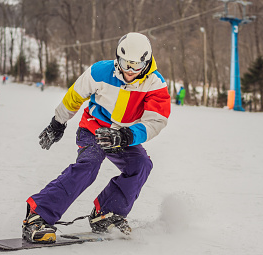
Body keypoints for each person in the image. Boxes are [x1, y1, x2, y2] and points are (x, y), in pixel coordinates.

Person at [22, 32, 171, 243]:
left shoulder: (155, 84)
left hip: (123, 135)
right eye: (125, 64)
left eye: (136, 66)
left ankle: (107, 214)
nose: (130, 71)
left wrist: (127, 135)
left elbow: (157, 120)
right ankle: (38, 215)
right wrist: (58, 122)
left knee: (141, 165)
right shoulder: (100, 71)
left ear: (146, 63)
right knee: (88, 165)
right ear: (117, 59)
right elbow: (75, 96)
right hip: (93, 129)